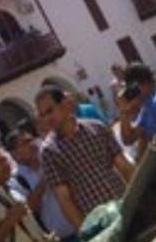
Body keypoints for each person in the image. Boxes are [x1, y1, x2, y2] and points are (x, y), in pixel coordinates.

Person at [35, 86, 130, 233]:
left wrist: (140, 195)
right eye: (42, 115)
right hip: (100, 225)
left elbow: (123, 165)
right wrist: (87, 234)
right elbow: (64, 199)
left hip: (125, 205)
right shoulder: (49, 151)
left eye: (49, 111)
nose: (47, 118)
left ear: (65, 105)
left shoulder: (96, 127)